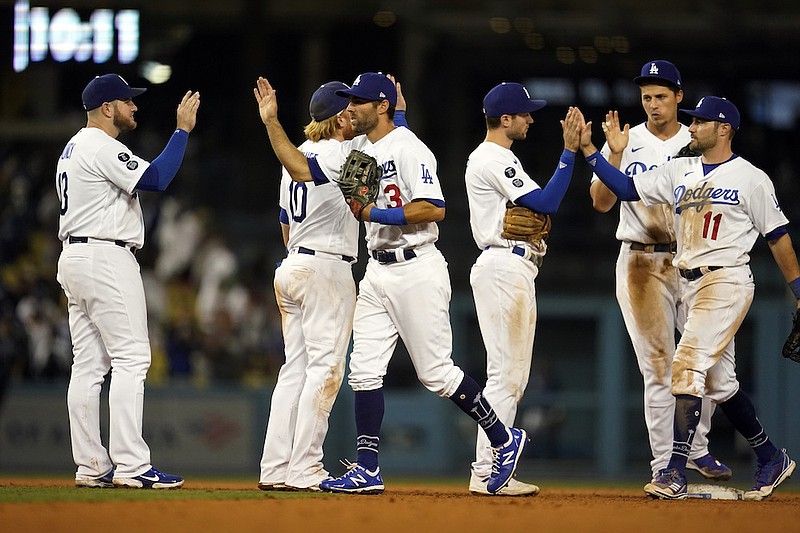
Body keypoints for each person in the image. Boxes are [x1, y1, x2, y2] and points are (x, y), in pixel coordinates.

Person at [254, 72, 539, 495]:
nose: (351, 108)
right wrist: (274, 123)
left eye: (360, 102)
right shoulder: (359, 152)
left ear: (381, 106)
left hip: (417, 268)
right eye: (349, 102)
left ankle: (502, 437)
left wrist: (376, 215)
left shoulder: (410, 148)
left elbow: (435, 208)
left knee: (437, 374)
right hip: (376, 270)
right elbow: (308, 169)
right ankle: (367, 467)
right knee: (363, 372)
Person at [580, 96, 799, 500]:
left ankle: (675, 471)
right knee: (720, 383)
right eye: (693, 121)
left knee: (685, 365)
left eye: (701, 122)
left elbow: (778, 237)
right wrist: (594, 153)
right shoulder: (680, 168)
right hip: (689, 282)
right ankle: (770, 456)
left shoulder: (751, 178)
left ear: (724, 129)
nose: (692, 127)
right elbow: (627, 187)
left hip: (727, 281)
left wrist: (799, 293)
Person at [589, 60, 731, 483]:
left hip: (693, 260)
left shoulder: (699, 138)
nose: (653, 104)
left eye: (661, 96)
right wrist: (612, 151)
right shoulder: (625, 139)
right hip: (640, 262)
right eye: (647, 96)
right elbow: (599, 203)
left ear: (679, 97)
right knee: (657, 368)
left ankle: (696, 451)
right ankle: (663, 466)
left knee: (702, 363)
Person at [56, 73, 200, 489]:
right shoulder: (100, 145)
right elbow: (156, 179)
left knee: (88, 365)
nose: (134, 107)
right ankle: (133, 466)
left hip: (76, 255)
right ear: (107, 108)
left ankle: (91, 466)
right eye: (127, 101)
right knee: (132, 359)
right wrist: (182, 131)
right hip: (104, 256)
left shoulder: (71, 149)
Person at [464, 82, 581, 496]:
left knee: (510, 376)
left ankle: (489, 470)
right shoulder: (493, 156)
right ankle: (487, 471)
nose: (531, 119)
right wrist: (569, 152)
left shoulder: (499, 157)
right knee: (505, 377)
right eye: (525, 113)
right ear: (506, 119)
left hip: (513, 265)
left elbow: (536, 207)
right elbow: (547, 203)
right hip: (503, 264)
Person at [258, 81, 358, 492]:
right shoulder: (339, 153)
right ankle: (305, 468)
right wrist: (270, 122)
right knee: (326, 369)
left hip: (294, 264)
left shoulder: (298, 154)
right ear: (337, 117)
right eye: (350, 109)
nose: (356, 115)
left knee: (294, 371)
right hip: (325, 269)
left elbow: (285, 224)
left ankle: (275, 467)